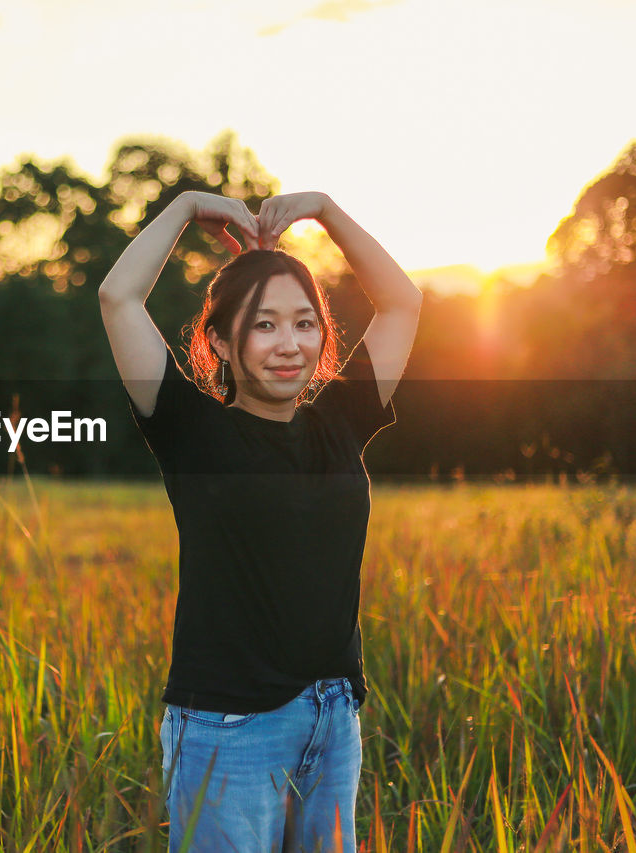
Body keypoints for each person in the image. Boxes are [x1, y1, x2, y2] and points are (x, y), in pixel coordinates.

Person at [99, 189, 422, 852]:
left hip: (331, 716)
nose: (290, 343)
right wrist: (187, 206)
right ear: (220, 338)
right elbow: (118, 297)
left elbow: (402, 301)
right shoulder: (190, 431)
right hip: (228, 728)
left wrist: (326, 211)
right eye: (264, 323)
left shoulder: (340, 421)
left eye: (305, 323)